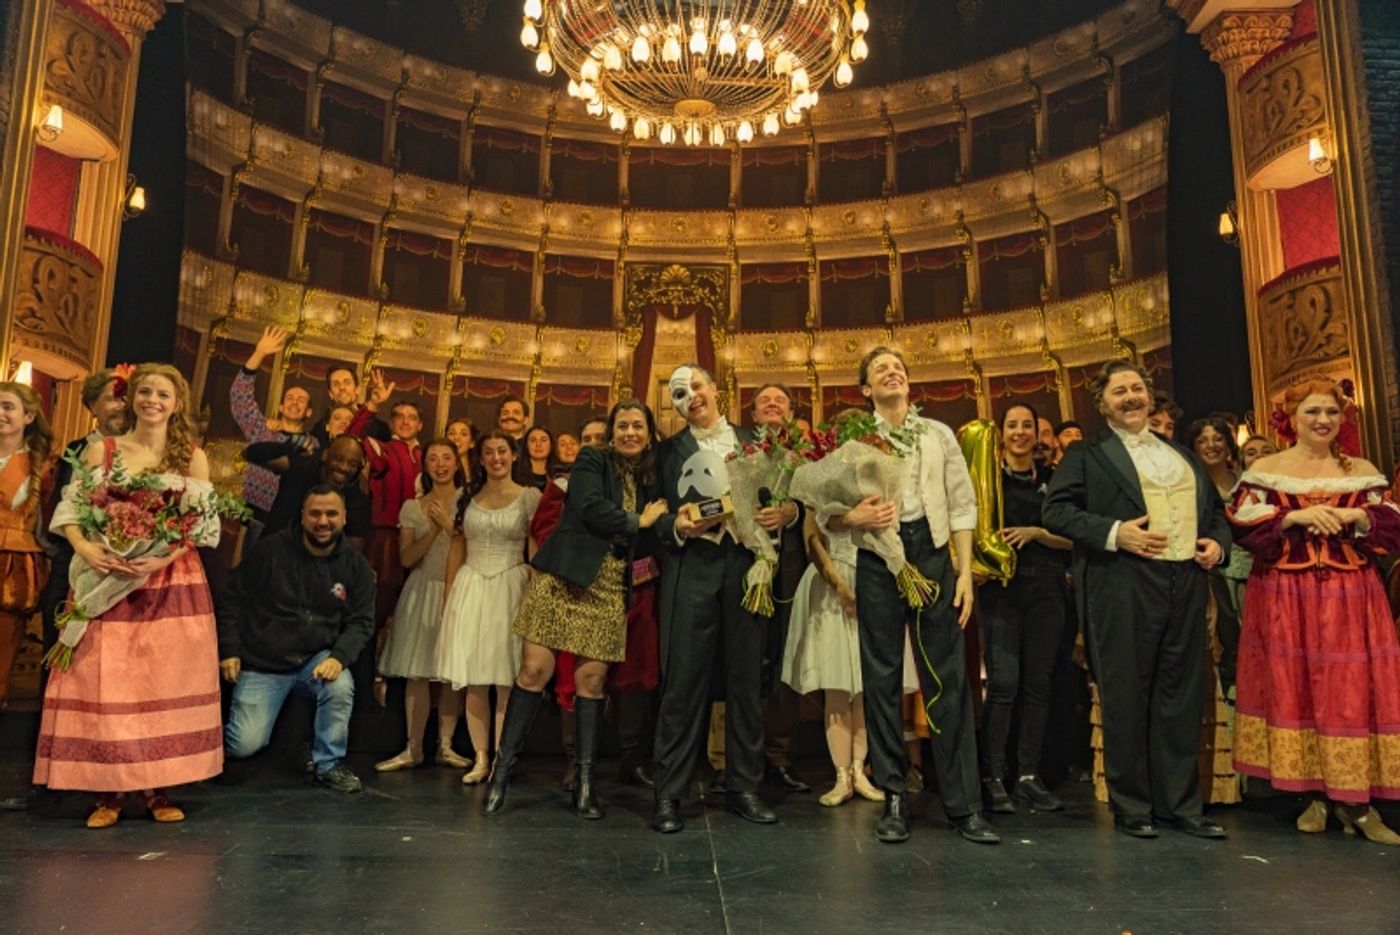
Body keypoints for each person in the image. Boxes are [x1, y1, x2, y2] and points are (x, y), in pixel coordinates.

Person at [1042, 359, 1231, 840]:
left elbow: (1214, 515)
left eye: (1136, 389)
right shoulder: (1087, 454)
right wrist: (1114, 533)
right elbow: (1056, 511)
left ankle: (1181, 805)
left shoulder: (1181, 456)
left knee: (1179, 695)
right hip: (1122, 584)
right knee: (1126, 693)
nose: (1130, 397)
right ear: (1102, 402)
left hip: (1185, 583)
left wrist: (1216, 544)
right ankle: (1133, 806)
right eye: (1119, 391)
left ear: (1149, 397)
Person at [35, 364, 224, 828]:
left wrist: (158, 559)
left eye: (162, 393)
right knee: (109, 683)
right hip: (107, 577)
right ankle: (110, 791)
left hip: (168, 583)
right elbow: (71, 510)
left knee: (160, 684)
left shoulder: (191, 457)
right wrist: (86, 547)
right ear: (131, 398)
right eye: (144, 392)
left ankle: (158, 790)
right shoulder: (104, 449)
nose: (152, 400)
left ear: (176, 403)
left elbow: (199, 526)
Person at [825, 347, 994, 845]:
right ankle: (894, 796)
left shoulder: (938, 433)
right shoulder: (853, 439)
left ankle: (964, 805)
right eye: (880, 369)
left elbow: (963, 505)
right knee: (880, 677)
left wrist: (963, 574)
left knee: (947, 677)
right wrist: (854, 518)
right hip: (878, 557)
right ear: (865, 389)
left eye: (897, 367)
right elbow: (825, 512)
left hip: (934, 553)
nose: (892, 372)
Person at [1229, 380, 1400, 845]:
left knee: (1351, 691)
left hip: (1351, 592)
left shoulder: (1361, 469)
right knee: (1297, 685)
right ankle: (1315, 796)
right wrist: (1293, 517)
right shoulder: (1267, 468)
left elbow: (1393, 523)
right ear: (1291, 419)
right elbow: (1242, 523)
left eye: (1331, 412)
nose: (1323, 420)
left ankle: (1358, 803)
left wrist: (1356, 517)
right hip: (1287, 592)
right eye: (1312, 412)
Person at [482, 400, 667, 818]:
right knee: (533, 672)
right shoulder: (591, 459)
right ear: (612, 431)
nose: (630, 433)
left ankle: (585, 784)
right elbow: (588, 507)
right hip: (564, 576)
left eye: (638, 426)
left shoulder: (652, 477)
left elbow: (663, 525)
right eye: (622, 425)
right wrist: (639, 521)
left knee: (592, 682)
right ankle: (501, 775)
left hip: (608, 585)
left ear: (649, 433)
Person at [650, 365, 775, 834]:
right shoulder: (667, 452)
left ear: (715, 388)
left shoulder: (754, 441)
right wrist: (676, 528)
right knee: (683, 682)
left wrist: (787, 511)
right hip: (691, 569)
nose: (690, 397)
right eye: (679, 394)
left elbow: (784, 497)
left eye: (695, 386)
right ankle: (669, 794)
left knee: (746, 678)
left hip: (745, 566)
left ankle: (744, 787)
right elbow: (651, 517)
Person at [220, 486, 375, 793]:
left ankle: (327, 764)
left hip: (315, 660)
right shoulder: (269, 551)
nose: (323, 521)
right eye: (315, 513)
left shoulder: (354, 566)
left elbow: (362, 622)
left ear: (344, 518)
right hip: (264, 663)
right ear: (302, 516)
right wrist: (229, 649)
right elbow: (231, 599)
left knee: (340, 683)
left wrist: (338, 657)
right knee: (243, 746)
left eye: (331, 514)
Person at [978, 404, 1073, 814]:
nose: (1019, 432)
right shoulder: (988, 480)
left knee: (1040, 684)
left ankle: (1029, 777)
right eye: (1012, 425)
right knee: (1002, 686)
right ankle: (993, 777)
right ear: (1002, 434)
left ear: (1039, 433)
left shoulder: (1055, 480)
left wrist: (1038, 533)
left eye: (1027, 426)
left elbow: (1074, 538)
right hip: (1001, 594)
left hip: (1047, 591)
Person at [436, 431, 541, 784]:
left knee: (508, 678)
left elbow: (535, 547)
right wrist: (449, 597)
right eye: (488, 452)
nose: (496, 458)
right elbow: (456, 549)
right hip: (472, 586)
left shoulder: (529, 497)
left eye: (502, 451)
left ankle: (502, 759)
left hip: (511, 585)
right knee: (475, 678)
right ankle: (481, 758)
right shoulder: (466, 497)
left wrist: (537, 589)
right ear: (480, 459)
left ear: (513, 456)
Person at [374, 441, 471, 772]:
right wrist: (432, 531)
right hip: (420, 590)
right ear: (425, 466)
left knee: (450, 673)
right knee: (417, 672)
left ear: (457, 463)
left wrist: (449, 524)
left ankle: (445, 746)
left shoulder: (469, 502)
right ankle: (413, 748)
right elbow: (406, 558)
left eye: (446, 458)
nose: (440, 464)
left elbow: (474, 548)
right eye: (433, 459)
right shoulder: (412, 507)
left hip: (457, 589)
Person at [782, 506, 884, 807]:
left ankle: (859, 769)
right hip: (830, 583)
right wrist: (837, 583)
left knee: (865, 683)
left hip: (870, 576)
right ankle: (842, 775)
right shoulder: (818, 473)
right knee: (837, 683)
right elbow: (811, 537)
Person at [749, 383, 810, 794]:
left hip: (791, 568)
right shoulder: (736, 453)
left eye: (780, 401)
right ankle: (740, 756)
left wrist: (793, 510)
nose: (772, 405)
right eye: (764, 402)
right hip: (747, 568)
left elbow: (822, 505)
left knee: (787, 663)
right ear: (753, 416)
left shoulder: (806, 457)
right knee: (747, 662)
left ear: (790, 413)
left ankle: (779, 756)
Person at [347, 370, 423, 635]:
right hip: (386, 538)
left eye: (411, 417)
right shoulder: (383, 449)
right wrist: (373, 405)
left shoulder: (429, 456)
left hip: (423, 542)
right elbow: (350, 441)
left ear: (420, 425)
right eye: (399, 416)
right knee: (377, 606)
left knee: (412, 613)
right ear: (391, 423)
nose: (405, 422)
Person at [230, 327, 316, 533]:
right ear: (280, 407)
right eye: (289, 398)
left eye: (301, 400)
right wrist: (259, 353)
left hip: (291, 523)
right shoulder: (262, 432)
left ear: (309, 412)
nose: (294, 403)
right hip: (253, 516)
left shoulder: (314, 443)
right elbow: (240, 398)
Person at [0, 383, 51, 709]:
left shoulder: (43, 467)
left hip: (12, 566)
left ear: (29, 416)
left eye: (8, 406)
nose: (0, 413)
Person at [242, 434, 371, 550]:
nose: (344, 467)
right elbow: (249, 453)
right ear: (325, 455)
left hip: (316, 566)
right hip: (273, 553)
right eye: (338, 458)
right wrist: (284, 447)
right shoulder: (303, 465)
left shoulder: (357, 498)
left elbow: (353, 549)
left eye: (353, 464)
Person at [311, 365, 388, 449]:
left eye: (347, 383)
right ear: (330, 394)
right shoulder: (319, 428)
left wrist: (374, 404)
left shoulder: (379, 428)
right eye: (336, 384)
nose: (342, 387)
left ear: (357, 389)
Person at [516, 426, 555, 492]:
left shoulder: (558, 476)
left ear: (551, 445)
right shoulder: (515, 474)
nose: (538, 444)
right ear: (526, 445)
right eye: (533, 440)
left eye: (543, 440)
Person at [446, 417, 476, 484]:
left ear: (472, 443)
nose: (456, 438)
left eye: (463, 434)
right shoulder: (440, 470)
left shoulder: (480, 472)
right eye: (452, 433)